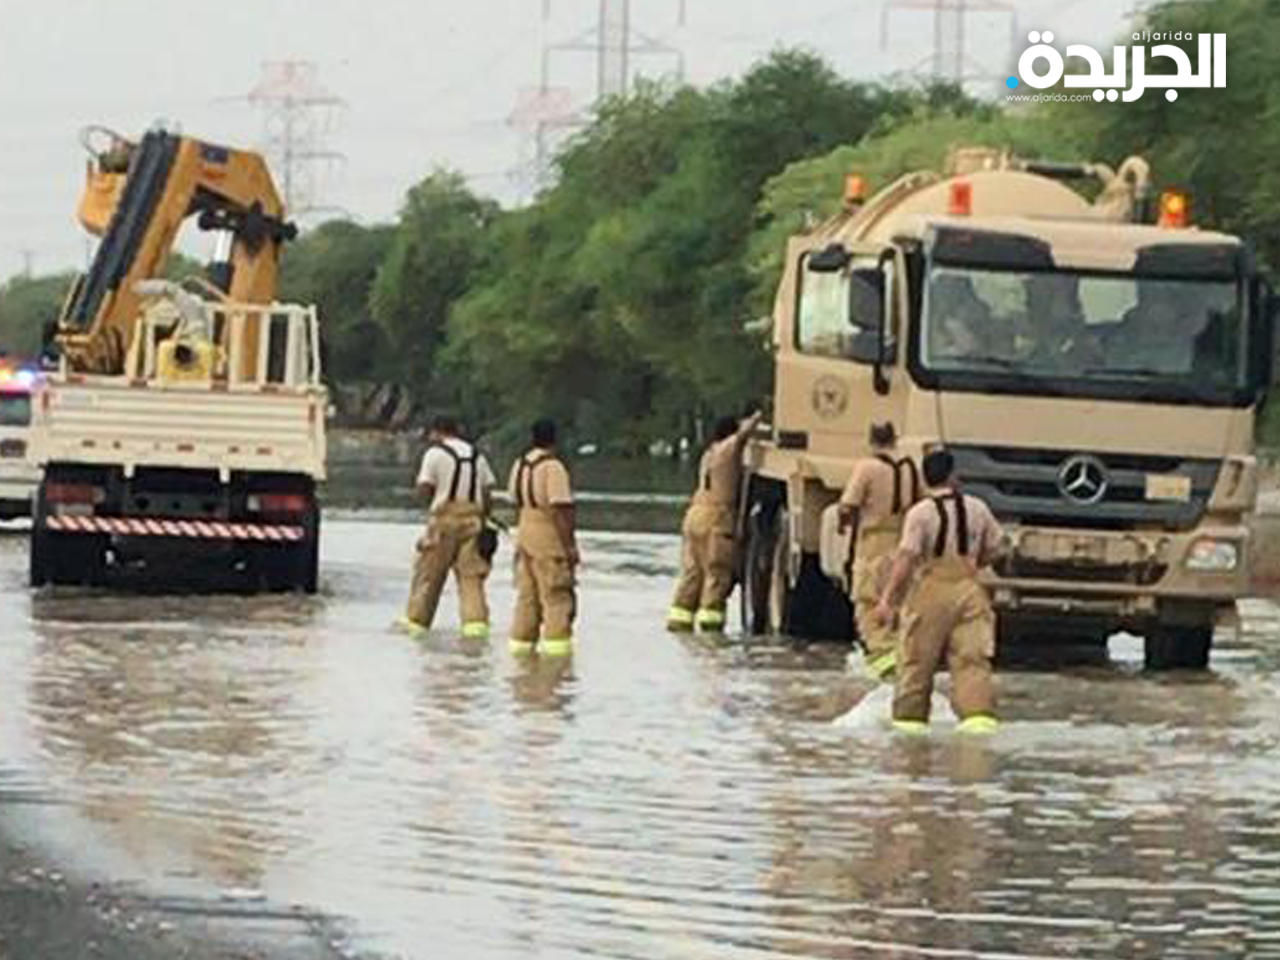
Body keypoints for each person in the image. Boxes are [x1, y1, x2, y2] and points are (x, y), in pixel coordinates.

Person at [874, 448, 1003, 734]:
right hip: (970, 590)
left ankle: (910, 727)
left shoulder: (919, 513)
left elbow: (906, 559)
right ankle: (977, 721)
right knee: (973, 660)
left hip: (929, 591)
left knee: (916, 662)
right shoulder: (977, 508)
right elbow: (995, 546)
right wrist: (976, 563)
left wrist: (887, 600)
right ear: (953, 476)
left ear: (925, 478)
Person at [667, 408, 763, 633]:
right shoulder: (727, 451)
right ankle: (711, 629)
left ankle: (679, 621)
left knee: (692, 573)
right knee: (717, 573)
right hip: (716, 518)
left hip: (694, 516)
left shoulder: (708, 454)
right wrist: (758, 417)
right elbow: (742, 436)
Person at [837, 422, 919, 681]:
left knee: (869, 607)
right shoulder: (910, 469)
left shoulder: (867, 468)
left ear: (871, 440)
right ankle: (901, 661)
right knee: (897, 606)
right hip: (902, 546)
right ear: (895, 439)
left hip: (873, 546)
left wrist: (843, 524)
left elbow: (848, 505)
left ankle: (884, 667)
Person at [402, 415, 497, 637]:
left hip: (443, 522)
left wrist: (432, 509)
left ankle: (417, 626)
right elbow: (487, 493)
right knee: (472, 579)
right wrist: (484, 516)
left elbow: (425, 487)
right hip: (473, 521)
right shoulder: (477, 456)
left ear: (436, 432)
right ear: (457, 430)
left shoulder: (434, 454)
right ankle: (476, 630)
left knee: (429, 577)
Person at [508, 419, 579, 657]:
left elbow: (514, 500)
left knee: (527, 596)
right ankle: (557, 659)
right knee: (556, 596)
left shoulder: (520, 464)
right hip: (547, 533)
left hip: (524, 529)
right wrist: (569, 546)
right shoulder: (553, 467)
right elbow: (560, 508)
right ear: (555, 439)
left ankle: (521, 652)